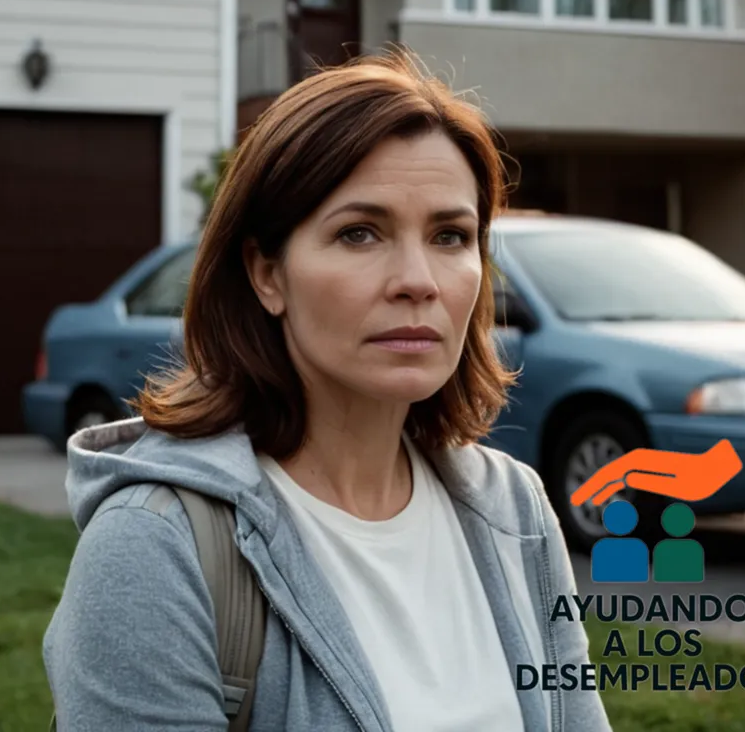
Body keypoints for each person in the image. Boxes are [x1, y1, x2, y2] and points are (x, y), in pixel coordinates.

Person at [44, 51, 611, 732]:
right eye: (359, 233)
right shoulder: (152, 548)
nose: (418, 280)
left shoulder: (513, 507)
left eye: (450, 236)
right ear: (267, 274)